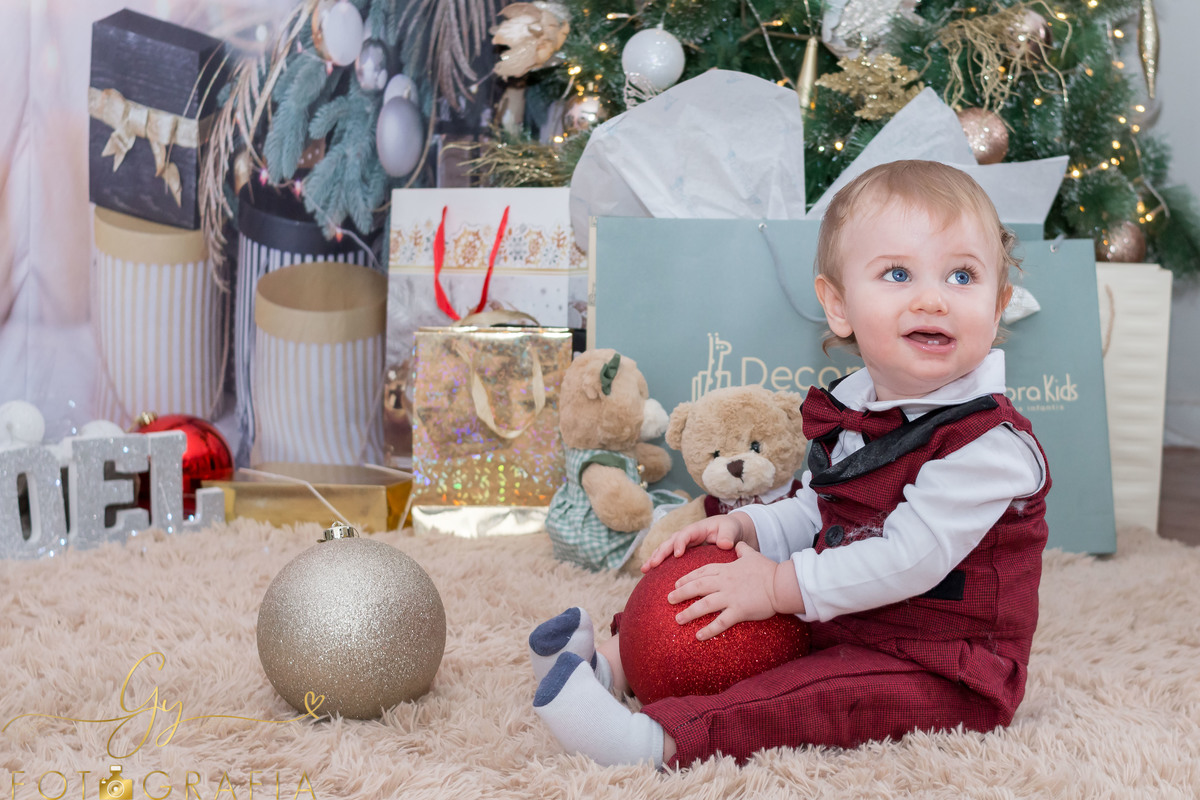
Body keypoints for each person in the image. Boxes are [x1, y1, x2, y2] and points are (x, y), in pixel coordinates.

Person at [527, 159, 1051, 769]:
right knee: (726, 596)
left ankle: (657, 742)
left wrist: (778, 585)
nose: (933, 298)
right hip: (848, 612)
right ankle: (613, 663)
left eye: (962, 275)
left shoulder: (988, 444)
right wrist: (751, 529)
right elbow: (818, 509)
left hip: (943, 662)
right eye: (899, 273)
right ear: (839, 306)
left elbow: (909, 558)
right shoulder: (856, 406)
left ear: (998, 304)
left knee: (815, 698)